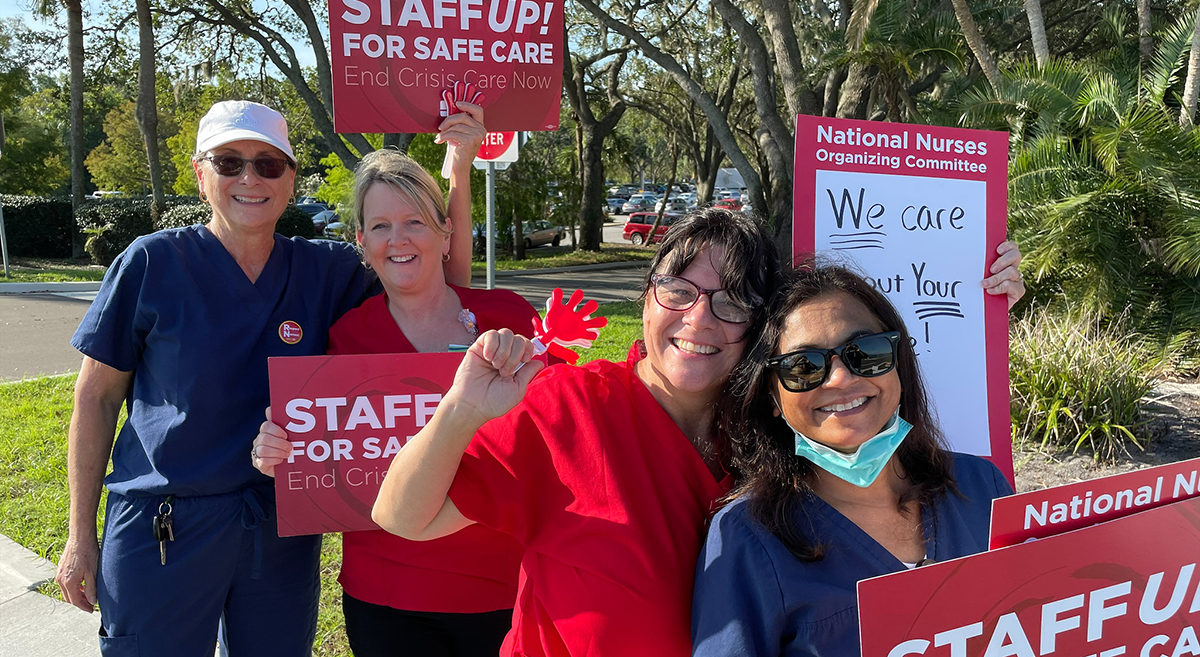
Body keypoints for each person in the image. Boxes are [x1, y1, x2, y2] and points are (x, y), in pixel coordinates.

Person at [370, 210, 1026, 657]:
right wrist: (459, 411)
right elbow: (402, 515)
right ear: (647, 296)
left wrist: (982, 294)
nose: (700, 318)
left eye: (732, 300)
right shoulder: (571, 409)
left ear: (762, 331)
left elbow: (876, 399)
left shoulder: (784, 430)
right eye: (679, 290)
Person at [55, 98, 484, 656]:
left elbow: (438, 279)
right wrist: (79, 536)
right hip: (165, 525)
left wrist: (459, 166)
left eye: (268, 163)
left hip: (279, 528)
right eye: (229, 162)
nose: (249, 178)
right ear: (200, 173)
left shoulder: (326, 269)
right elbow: (96, 397)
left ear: (289, 178)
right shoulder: (152, 263)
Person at [250, 148, 541, 657]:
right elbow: (326, 455)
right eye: (381, 226)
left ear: (446, 232)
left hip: (505, 586)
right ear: (361, 241)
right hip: (388, 596)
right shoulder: (346, 338)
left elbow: (556, 437)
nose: (398, 239)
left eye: (414, 221)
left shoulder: (508, 318)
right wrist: (279, 453)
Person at [690, 262, 1015, 657]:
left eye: (866, 352)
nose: (840, 378)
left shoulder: (983, 486)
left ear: (898, 361)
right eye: (804, 367)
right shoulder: (749, 535)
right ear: (773, 397)